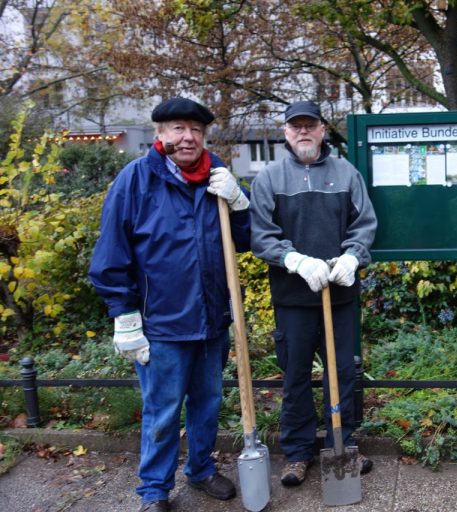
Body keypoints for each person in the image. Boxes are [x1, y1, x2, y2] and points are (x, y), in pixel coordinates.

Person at [89, 97, 251, 512]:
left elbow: (247, 241)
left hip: (212, 320)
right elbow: (111, 253)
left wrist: (240, 204)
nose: (188, 137)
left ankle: (200, 470)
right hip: (161, 324)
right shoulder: (136, 180)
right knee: (161, 412)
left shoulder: (217, 178)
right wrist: (124, 316)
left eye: (195, 130)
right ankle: (154, 491)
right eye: (178, 128)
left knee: (207, 404)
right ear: (160, 134)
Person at [250, 100, 377, 487]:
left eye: (310, 125)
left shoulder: (345, 173)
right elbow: (261, 235)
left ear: (323, 129)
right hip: (293, 298)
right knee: (296, 376)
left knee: (343, 373)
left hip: (339, 296)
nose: (303, 132)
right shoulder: (269, 177)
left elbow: (365, 224)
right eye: (295, 126)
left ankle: (344, 442)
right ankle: (298, 452)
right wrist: (294, 260)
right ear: (285, 132)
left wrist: (352, 258)